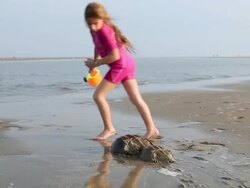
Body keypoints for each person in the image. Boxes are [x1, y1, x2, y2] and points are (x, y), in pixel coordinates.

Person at [84, 2, 159, 140]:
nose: (93, 27)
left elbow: (114, 56)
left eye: (95, 23)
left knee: (98, 96)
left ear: (103, 19)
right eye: (89, 24)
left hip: (121, 65)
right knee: (136, 99)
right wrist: (94, 64)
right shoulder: (94, 31)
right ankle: (152, 129)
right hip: (126, 64)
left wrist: (96, 63)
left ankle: (109, 128)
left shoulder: (106, 31)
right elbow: (97, 46)